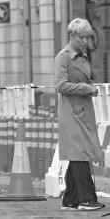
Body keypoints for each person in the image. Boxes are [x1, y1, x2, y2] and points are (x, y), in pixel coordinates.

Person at [56, 18, 105, 211]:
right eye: (83, 37)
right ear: (73, 35)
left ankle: (70, 199)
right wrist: (85, 87)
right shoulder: (63, 57)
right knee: (80, 154)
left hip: (84, 111)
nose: (85, 41)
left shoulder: (83, 57)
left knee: (78, 154)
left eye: (88, 37)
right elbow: (61, 85)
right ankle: (86, 199)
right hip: (72, 112)